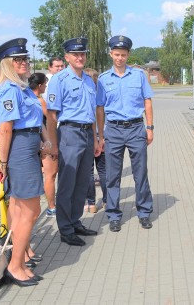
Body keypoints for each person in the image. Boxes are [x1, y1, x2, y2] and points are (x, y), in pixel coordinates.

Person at [0, 38, 55, 286]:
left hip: (29, 147)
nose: (23, 63)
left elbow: (35, 120)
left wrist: (44, 140)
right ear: (7, 64)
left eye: (25, 58)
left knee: (22, 209)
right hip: (18, 150)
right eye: (17, 60)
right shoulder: (9, 89)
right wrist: (4, 164)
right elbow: (6, 130)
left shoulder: (23, 89)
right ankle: (15, 266)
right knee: (30, 210)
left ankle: (20, 257)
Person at [96, 35, 154, 232]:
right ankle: (113, 215)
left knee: (140, 173)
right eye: (116, 54)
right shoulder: (103, 79)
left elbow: (147, 101)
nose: (120, 58)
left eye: (123, 54)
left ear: (128, 54)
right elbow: (100, 108)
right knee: (112, 175)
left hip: (136, 128)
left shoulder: (138, 76)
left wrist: (150, 127)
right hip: (113, 130)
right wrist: (101, 135)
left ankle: (144, 212)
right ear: (111, 54)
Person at [46, 38, 100, 246]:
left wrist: (95, 138)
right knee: (67, 183)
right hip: (69, 132)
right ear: (67, 57)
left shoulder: (88, 80)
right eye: (75, 54)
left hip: (87, 133)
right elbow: (52, 115)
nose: (80, 57)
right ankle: (65, 229)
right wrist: (53, 143)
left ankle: (75, 220)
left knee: (82, 182)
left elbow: (93, 112)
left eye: (83, 54)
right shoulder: (59, 80)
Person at [28, 73, 58, 217]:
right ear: (40, 85)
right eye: (45, 84)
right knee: (50, 175)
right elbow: (51, 118)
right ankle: (52, 207)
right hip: (44, 141)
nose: (46, 86)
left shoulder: (26, 98)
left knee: (43, 175)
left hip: (32, 141)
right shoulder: (39, 100)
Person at [84, 68, 106, 213]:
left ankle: (91, 203)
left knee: (88, 172)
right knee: (104, 170)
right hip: (104, 135)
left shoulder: (86, 97)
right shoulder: (103, 96)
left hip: (88, 135)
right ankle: (107, 200)